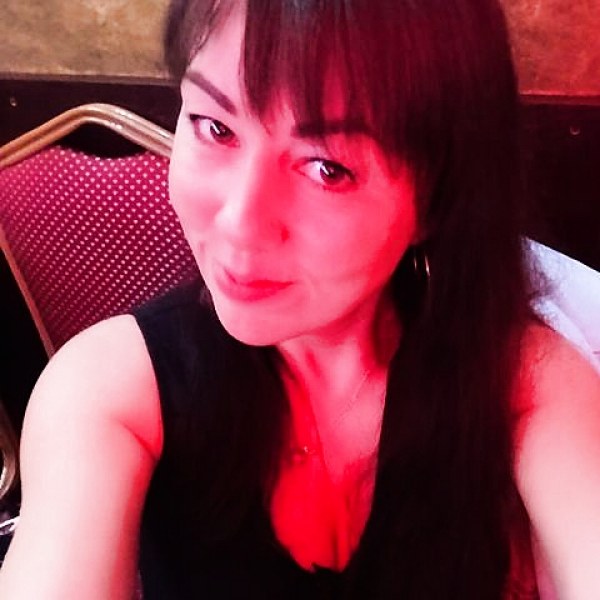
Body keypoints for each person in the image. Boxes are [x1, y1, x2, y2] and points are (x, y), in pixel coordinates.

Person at [1, 0, 599, 597]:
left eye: (327, 169)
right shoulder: (111, 390)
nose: (239, 224)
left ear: (434, 198)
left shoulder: (528, 387)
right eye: (215, 127)